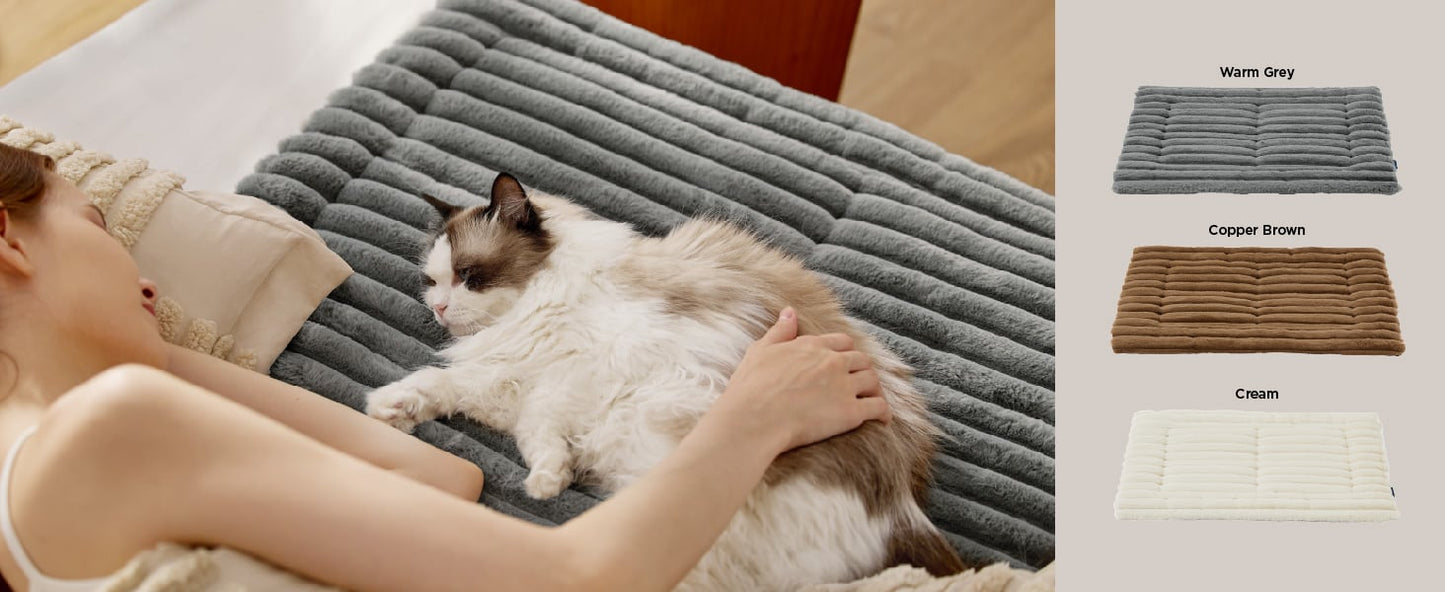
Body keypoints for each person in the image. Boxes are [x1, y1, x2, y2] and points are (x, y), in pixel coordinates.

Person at [0, 143, 890, 592]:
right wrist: (755, 417)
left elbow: (437, 474)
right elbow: (574, 583)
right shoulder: (108, 426)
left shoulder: (74, 442)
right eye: (100, 229)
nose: (146, 278)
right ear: (9, 242)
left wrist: (153, 351)